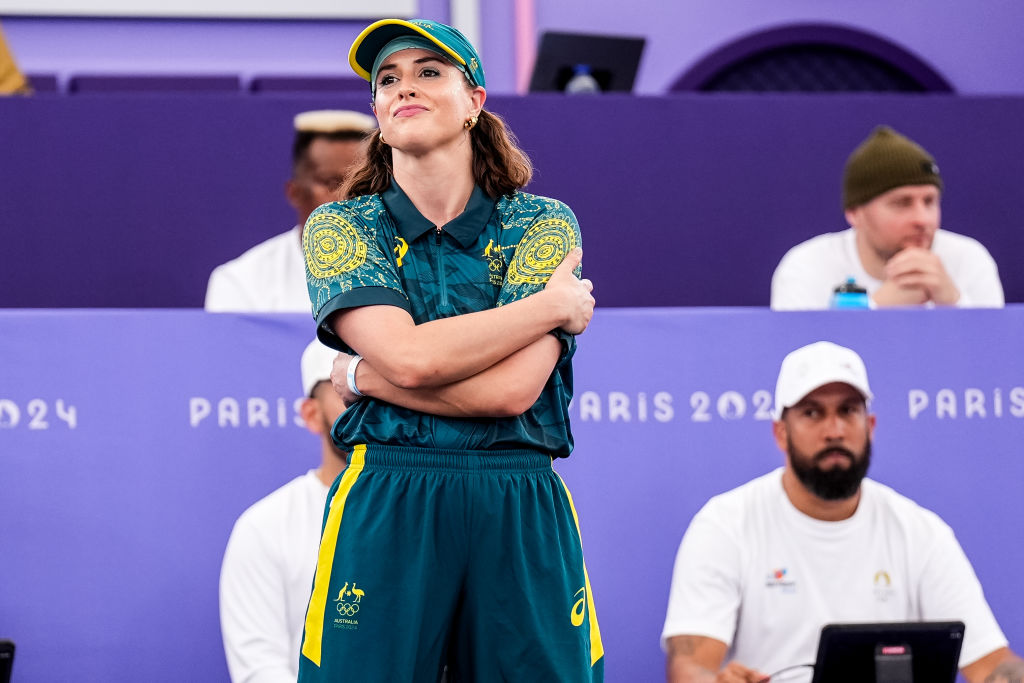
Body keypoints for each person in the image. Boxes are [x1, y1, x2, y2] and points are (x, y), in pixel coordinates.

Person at [296, 18, 602, 683]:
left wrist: (361, 375)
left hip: (518, 493)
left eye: (429, 72)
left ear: (476, 102)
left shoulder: (542, 221)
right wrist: (548, 307)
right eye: (387, 79)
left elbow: (510, 393)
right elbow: (408, 358)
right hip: (388, 490)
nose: (404, 87)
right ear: (376, 111)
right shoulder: (339, 226)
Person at [662, 341, 1024, 683]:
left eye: (848, 411)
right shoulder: (726, 525)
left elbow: (992, 665)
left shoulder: (920, 531)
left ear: (870, 427)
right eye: (812, 413)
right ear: (780, 433)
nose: (834, 430)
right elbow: (690, 665)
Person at [219, 339, 347, 683]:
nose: (367, 410)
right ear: (311, 414)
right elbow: (259, 668)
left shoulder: (430, 513)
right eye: (346, 393)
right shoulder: (265, 526)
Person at [771, 126, 1004, 309]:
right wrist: (877, 307)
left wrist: (953, 302)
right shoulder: (807, 266)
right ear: (854, 213)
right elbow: (800, 360)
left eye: (929, 201)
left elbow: (999, 354)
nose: (922, 219)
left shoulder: (969, 259)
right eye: (902, 203)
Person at [205, 110, 376, 312]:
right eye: (332, 183)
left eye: (362, 183)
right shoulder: (241, 282)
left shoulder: (410, 272)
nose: (348, 196)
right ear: (295, 193)